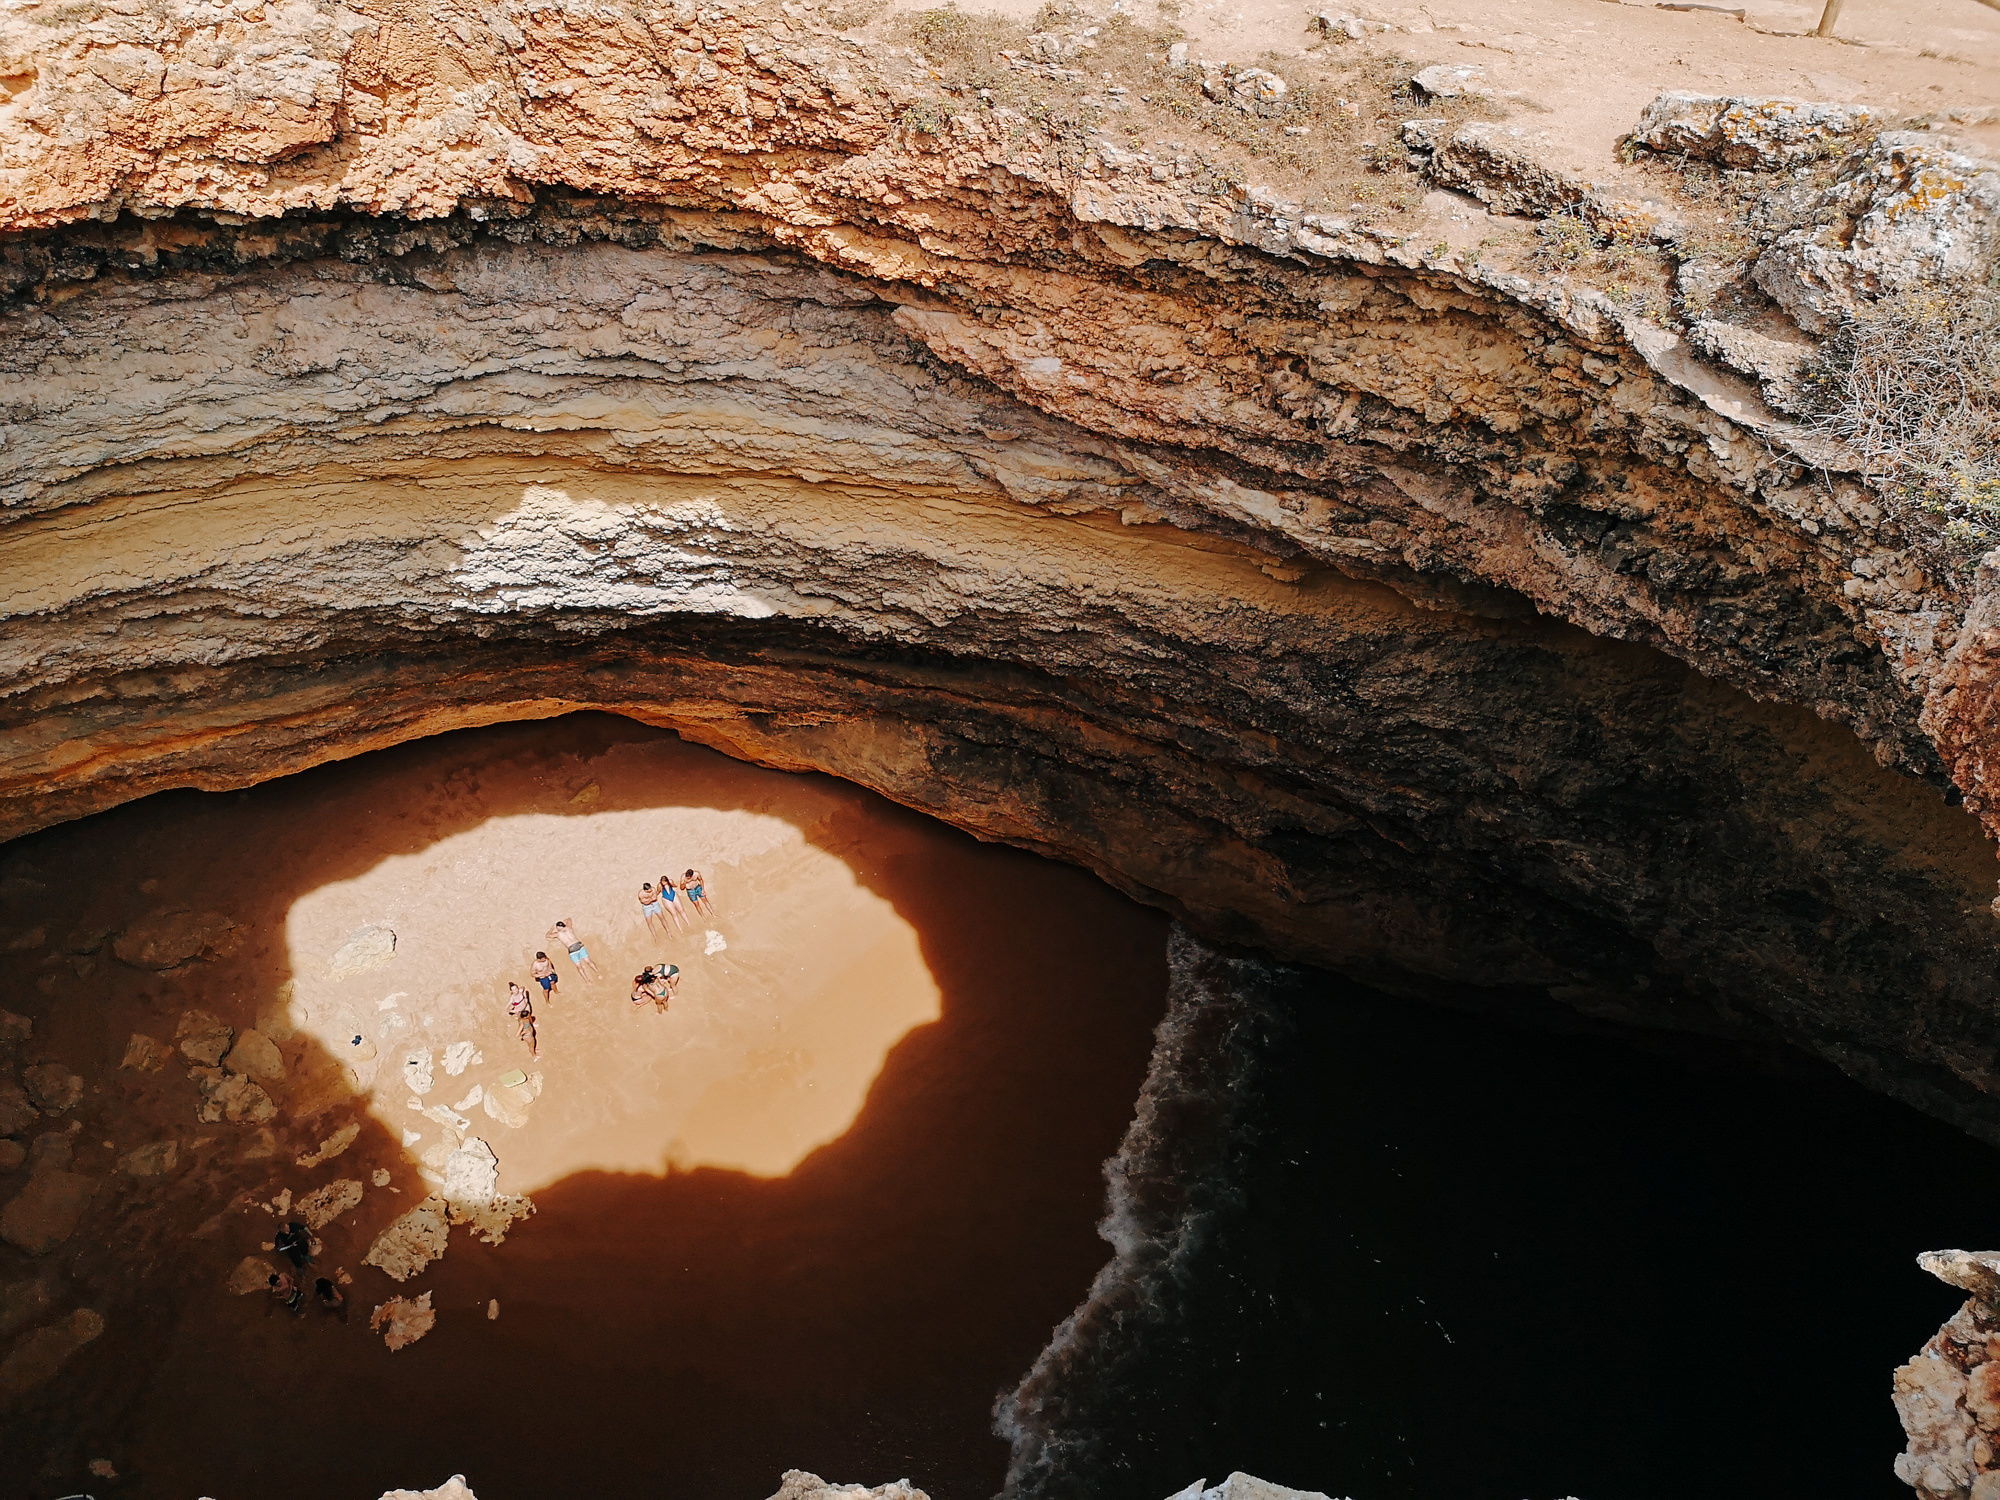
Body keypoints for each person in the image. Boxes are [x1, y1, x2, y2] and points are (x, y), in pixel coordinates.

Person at [509, 983, 540, 1059]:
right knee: (531, 1046)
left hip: (529, 1034)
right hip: (528, 1036)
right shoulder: (522, 1023)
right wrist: (523, 1033)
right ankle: (534, 1056)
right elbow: (517, 1034)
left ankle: (534, 1051)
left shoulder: (523, 1019)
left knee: (532, 1045)